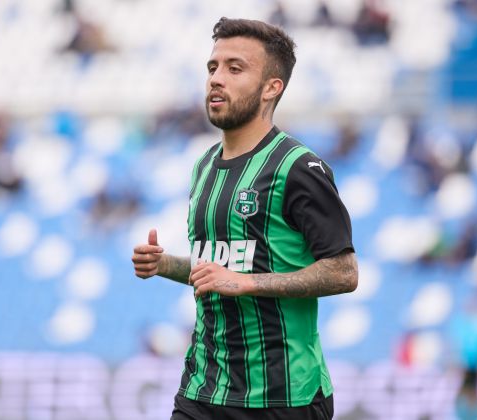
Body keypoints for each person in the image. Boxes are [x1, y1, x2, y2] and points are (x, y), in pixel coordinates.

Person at [132, 17, 357, 420]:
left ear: (272, 87)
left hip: (283, 397)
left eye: (235, 69)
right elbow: (221, 269)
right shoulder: (203, 166)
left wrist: (248, 283)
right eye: (213, 67)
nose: (217, 79)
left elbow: (344, 273)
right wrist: (164, 264)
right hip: (204, 389)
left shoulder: (299, 168)